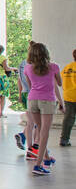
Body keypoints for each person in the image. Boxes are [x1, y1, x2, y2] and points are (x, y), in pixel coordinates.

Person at [22, 42, 62, 175]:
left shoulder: (27, 68)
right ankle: (39, 164)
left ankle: (47, 158)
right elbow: (60, 83)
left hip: (32, 100)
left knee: (39, 129)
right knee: (44, 132)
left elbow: (30, 84)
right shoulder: (54, 67)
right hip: (47, 100)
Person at [61, 49, 76, 147]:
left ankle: (64, 139)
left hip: (68, 95)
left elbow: (61, 80)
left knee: (68, 119)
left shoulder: (67, 67)